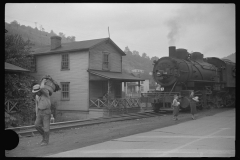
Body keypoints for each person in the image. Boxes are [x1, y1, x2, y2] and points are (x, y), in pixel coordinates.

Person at [32, 79, 51, 146]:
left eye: (37, 91)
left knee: (46, 127)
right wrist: (36, 114)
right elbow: (36, 105)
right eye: (35, 92)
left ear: (40, 90)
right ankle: (44, 137)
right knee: (36, 125)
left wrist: (42, 81)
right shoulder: (37, 96)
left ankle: (46, 141)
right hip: (40, 112)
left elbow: (42, 87)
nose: (36, 93)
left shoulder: (46, 93)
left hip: (46, 112)